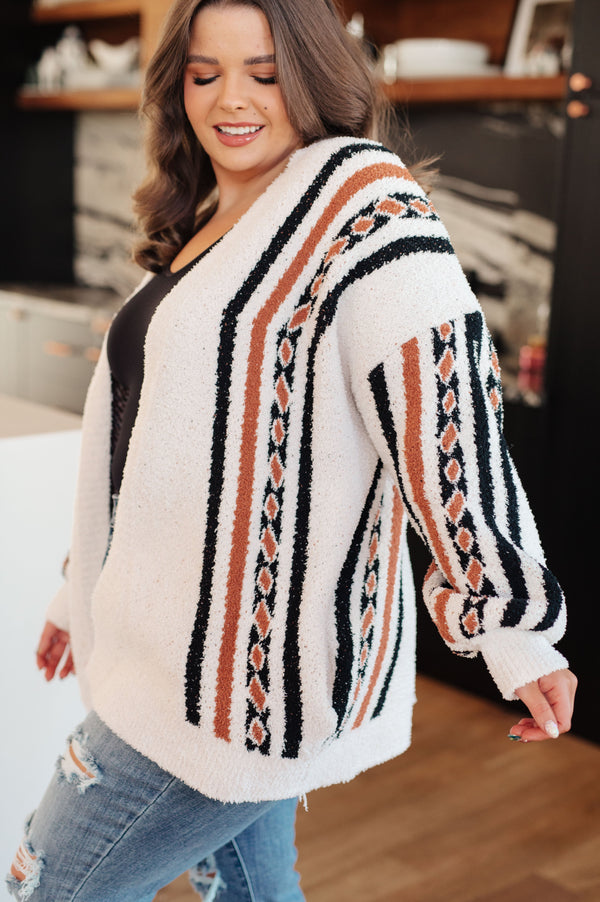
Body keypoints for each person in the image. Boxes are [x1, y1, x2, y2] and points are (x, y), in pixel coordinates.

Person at [7, 0, 577, 899]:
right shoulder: (210, 214)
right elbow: (155, 444)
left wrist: (512, 626)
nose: (231, 98)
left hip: (235, 689)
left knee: (47, 886)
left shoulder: (362, 198)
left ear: (315, 75)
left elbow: (443, 403)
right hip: (179, 660)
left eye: (264, 72)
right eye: (204, 74)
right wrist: (81, 589)